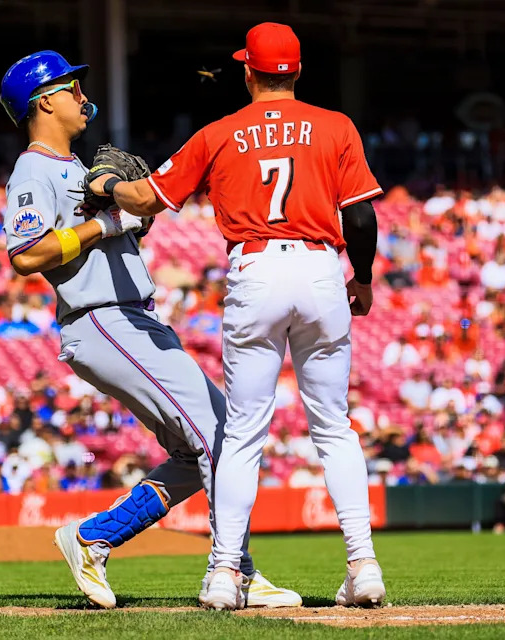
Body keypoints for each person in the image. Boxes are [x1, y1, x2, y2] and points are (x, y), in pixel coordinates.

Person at [85, 23, 385, 609]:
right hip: (323, 268)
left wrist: (103, 183)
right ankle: (363, 564)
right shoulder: (336, 126)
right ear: (296, 71)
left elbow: (146, 199)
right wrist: (364, 279)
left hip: (258, 269)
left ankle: (224, 573)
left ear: (248, 72)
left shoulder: (220, 132)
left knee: (243, 433)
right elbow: (362, 217)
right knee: (334, 427)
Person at [0, 49, 298, 610]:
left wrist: (130, 215)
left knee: (196, 451)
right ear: (43, 101)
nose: (83, 96)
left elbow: (111, 228)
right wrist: (104, 222)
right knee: (219, 436)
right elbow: (27, 254)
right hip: (102, 318)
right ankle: (237, 571)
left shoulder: (79, 169)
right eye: (70, 88)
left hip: (132, 318)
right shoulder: (34, 170)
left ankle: (93, 538)